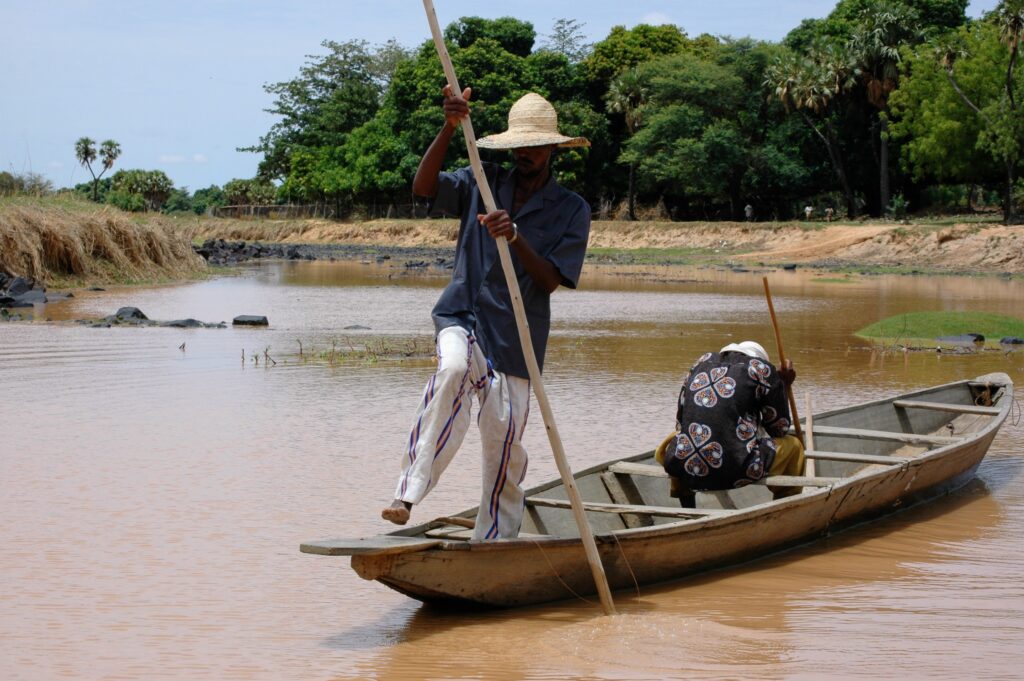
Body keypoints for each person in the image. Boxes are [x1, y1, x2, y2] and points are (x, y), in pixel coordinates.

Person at [380, 87, 591, 540]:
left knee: (503, 439)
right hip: (462, 314)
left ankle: (494, 538)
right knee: (452, 369)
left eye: (534, 147)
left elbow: (552, 279)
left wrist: (515, 237)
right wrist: (449, 126)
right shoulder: (483, 178)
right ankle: (407, 492)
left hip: (516, 339)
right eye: (518, 146)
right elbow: (423, 188)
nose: (524, 155)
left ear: (553, 149)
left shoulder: (572, 209)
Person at [654, 341, 805, 507]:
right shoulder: (762, 369)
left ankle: (688, 510)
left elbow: (680, 421)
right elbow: (779, 429)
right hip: (736, 468)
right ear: (759, 359)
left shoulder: (700, 362)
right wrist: (783, 385)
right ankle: (785, 507)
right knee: (795, 446)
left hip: (682, 464)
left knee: (680, 441)